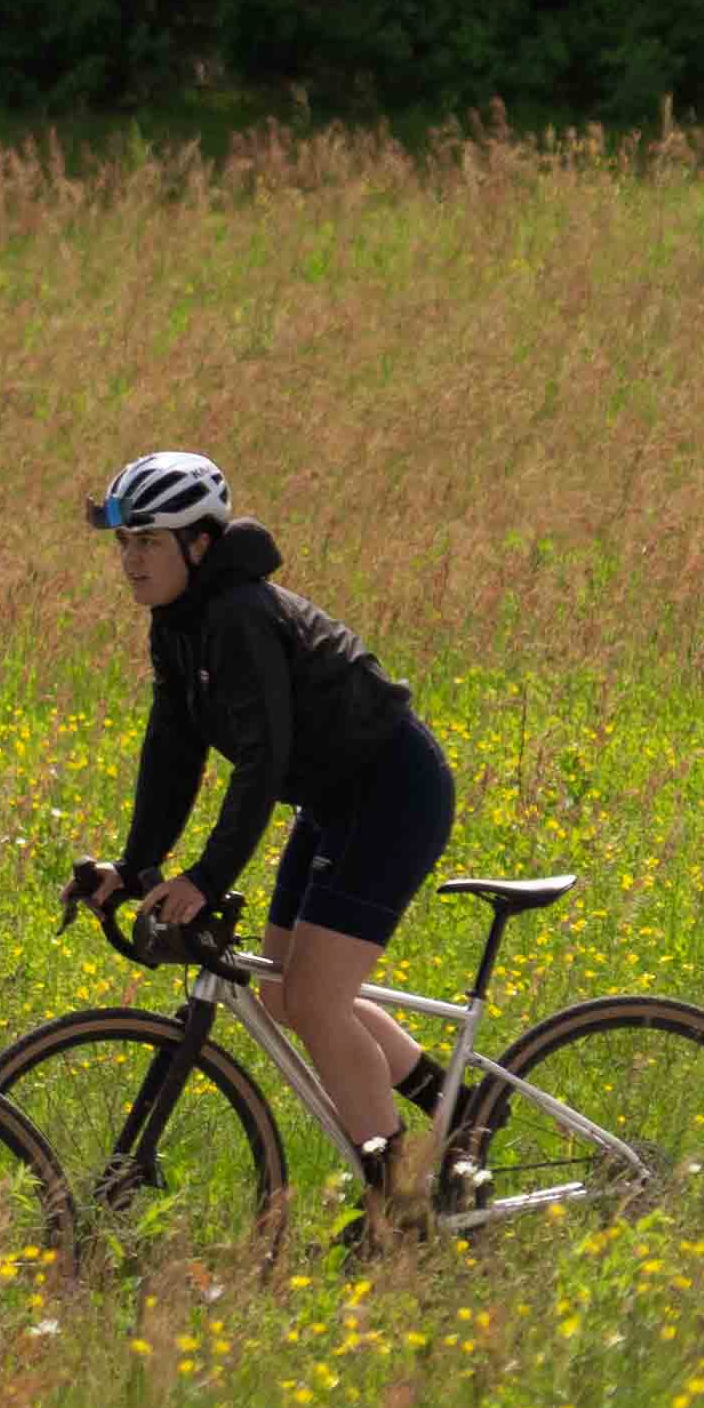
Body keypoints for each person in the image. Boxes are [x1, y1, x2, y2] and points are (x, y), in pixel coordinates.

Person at [70, 449, 456, 1244]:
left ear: (200, 544)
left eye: (149, 542)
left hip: (394, 792)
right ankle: (460, 1105)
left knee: (314, 1000)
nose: (131, 560)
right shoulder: (178, 621)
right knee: (284, 995)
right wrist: (135, 866)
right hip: (336, 800)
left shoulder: (239, 616)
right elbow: (172, 752)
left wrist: (208, 876)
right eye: (124, 543)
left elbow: (262, 760)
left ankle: (401, 1211)